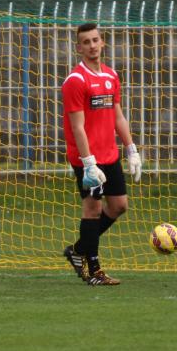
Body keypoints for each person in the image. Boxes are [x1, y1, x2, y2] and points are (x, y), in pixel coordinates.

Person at [61, 23, 142, 286]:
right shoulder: (76, 81)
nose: (92, 45)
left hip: (110, 154)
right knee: (93, 209)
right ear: (79, 47)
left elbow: (118, 115)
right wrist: (88, 164)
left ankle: (78, 250)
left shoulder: (110, 76)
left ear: (103, 42)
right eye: (86, 42)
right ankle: (94, 270)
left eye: (95, 40)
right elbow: (77, 127)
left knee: (119, 206)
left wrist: (131, 149)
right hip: (88, 158)